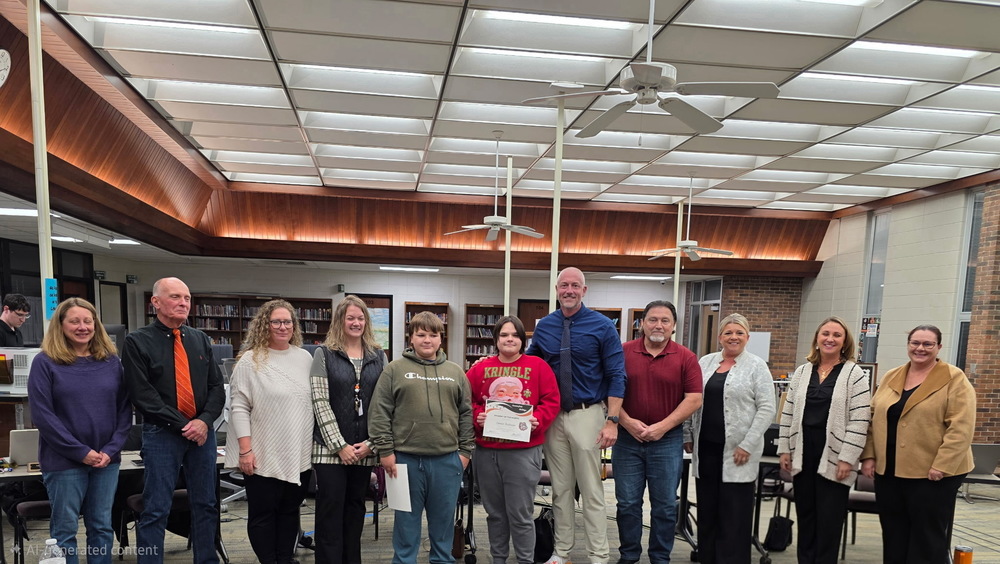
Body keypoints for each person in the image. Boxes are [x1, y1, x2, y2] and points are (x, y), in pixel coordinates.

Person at [526, 267, 626, 564]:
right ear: (557, 290)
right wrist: (497, 364)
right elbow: (530, 366)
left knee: (592, 491)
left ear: (584, 290)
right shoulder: (545, 326)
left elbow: (617, 374)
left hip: (588, 414)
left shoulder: (603, 326)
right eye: (563, 285)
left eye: (575, 285)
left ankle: (598, 555)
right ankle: (562, 552)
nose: (569, 290)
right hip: (553, 417)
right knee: (560, 489)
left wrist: (613, 420)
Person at [122, 277, 226, 564]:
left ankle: (206, 560)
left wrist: (203, 422)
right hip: (162, 435)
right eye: (175, 297)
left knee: (205, 504)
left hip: (202, 435)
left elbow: (217, 387)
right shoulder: (137, 341)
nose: (183, 303)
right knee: (156, 507)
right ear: (155, 302)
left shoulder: (199, 339)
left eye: (187, 298)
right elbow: (143, 396)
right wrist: (185, 426)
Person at [27, 298, 131, 564]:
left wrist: (110, 450)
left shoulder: (111, 362)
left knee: (101, 526)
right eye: (74, 321)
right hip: (64, 461)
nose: (83, 327)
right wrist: (81, 452)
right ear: (60, 325)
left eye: (88, 321)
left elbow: (123, 410)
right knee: (65, 530)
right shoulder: (45, 363)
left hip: (106, 462)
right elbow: (43, 416)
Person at [860, 325, 975, 564]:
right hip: (889, 471)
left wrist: (942, 465)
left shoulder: (954, 378)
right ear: (908, 344)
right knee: (894, 534)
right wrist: (869, 456)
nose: (920, 349)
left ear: (939, 347)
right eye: (915, 343)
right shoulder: (892, 375)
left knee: (926, 538)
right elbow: (872, 418)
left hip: (933, 474)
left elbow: (961, 427)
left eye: (927, 344)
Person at [368, 311, 474, 564]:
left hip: (447, 461)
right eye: (421, 334)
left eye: (433, 335)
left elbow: (466, 413)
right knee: (405, 526)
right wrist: (385, 451)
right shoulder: (394, 369)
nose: (427, 340)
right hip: (403, 461)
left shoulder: (455, 372)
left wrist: (465, 453)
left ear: (441, 339)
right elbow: (379, 411)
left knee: (443, 526)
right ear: (411, 338)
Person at [224, 299, 313, 564]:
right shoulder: (251, 360)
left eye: (288, 322)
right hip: (261, 454)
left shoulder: (304, 357)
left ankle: (285, 559)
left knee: (289, 512)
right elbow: (238, 407)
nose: (283, 326)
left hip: (298, 454)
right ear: (265, 324)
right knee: (263, 514)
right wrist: (245, 450)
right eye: (276, 321)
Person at [466, 315, 560, 564]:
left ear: (523, 339)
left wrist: (538, 418)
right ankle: (499, 559)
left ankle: (525, 560)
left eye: (515, 335)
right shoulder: (480, 369)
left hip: (523, 451)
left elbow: (551, 400)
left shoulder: (538, 366)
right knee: (495, 513)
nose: (510, 339)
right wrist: (479, 416)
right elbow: (467, 402)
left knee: (520, 514)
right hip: (487, 452)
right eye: (504, 335)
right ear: (496, 339)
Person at [614, 300, 702, 564]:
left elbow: (695, 398)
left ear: (674, 326)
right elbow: (607, 391)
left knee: (663, 506)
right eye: (653, 319)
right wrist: (627, 422)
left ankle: (659, 558)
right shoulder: (622, 352)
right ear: (642, 324)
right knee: (627, 504)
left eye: (665, 320)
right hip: (627, 440)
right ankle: (629, 556)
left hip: (667, 441)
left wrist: (663, 427)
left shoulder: (686, 357)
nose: (658, 325)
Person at [777, 317, 871, 564]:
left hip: (835, 457)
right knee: (806, 518)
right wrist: (784, 449)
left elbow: (860, 421)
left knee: (828, 523)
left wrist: (848, 459)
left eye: (837, 335)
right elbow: (788, 412)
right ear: (817, 339)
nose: (830, 339)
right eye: (825, 334)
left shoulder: (855, 374)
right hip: (803, 454)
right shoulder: (802, 371)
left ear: (844, 342)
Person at [684, 313, 775, 564]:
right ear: (719, 337)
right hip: (707, 450)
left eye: (739, 333)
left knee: (734, 515)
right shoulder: (705, 362)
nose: (733, 337)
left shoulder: (757, 366)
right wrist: (688, 432)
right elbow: (691, 398)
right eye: (728, 332)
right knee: (709, 512)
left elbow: (767, 408)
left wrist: (748, 443)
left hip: (738, 453)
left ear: (747, 337)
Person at [311, 295, 388, 564]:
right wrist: (339, 446)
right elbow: (319, 401)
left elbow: (384, 403)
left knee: (356, 509)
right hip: (329, 449)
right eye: (350, 318)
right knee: (330, 510)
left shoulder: (379, 356)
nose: (356, 322)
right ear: (340, 321)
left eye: (360, 317)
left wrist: (372, 444)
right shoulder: (324, 354)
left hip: (364, 448)